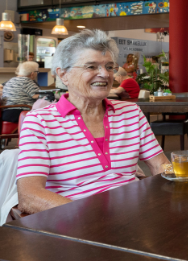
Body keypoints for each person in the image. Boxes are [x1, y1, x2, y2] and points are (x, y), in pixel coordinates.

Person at [16, 29, 169, 214]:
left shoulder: (130, 112)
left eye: (109, 67)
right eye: (91, 67)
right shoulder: (40, 122)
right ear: (63, 75)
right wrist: (91, 218)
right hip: (75, 222)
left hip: (133, 215)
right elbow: (29, 195)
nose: (105, 74)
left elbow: (161, 165)